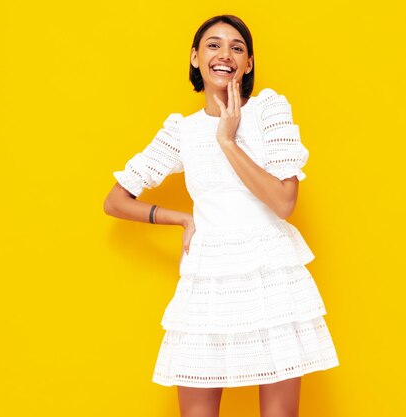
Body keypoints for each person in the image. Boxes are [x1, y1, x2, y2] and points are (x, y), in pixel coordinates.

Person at [103, 14, 339, 417]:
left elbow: (284, 203)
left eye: (237, 47)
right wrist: (181, 219)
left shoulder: (269, 111)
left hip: (271, 274)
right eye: (213, 45)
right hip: (208, 277)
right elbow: (116, 200)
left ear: (248, 63)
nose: (224, 54)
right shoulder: (182, 131)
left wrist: (228, 141)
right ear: (195, 58)